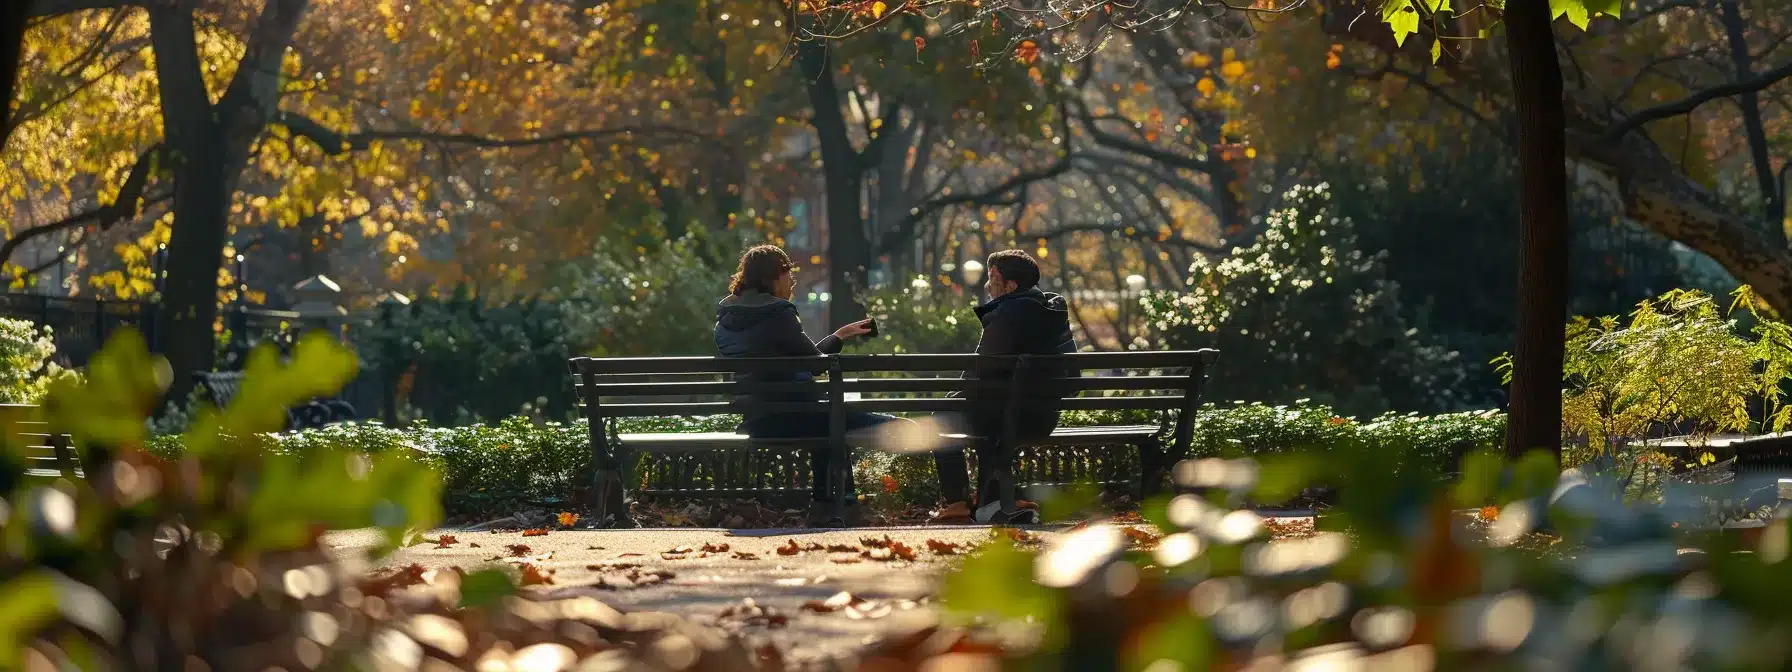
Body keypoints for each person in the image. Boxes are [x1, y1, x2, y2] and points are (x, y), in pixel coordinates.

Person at [714, 244, 909, 527]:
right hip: (792, 417)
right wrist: (833, 345)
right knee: (841, 422)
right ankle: (845, 505)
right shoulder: (778, 313)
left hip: (757, 419)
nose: (792, 280)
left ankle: (824, 506)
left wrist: (839, 335)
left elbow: (802, 360)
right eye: (787, 272)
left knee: (826, 421)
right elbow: (817, 364)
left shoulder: (725, 319)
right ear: (772, 277)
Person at [932, 250, 1079, 525]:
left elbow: (979, 369)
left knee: (942, 417)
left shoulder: (1006, 313)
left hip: (1004, 419)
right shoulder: (1055, 312)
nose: (988, 286)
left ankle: (957, 503)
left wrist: (955, 393)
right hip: (1043, 417)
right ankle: (994, 501)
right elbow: (1073, 376)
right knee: (991, 424)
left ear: (1010, 286)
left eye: (993, 278)